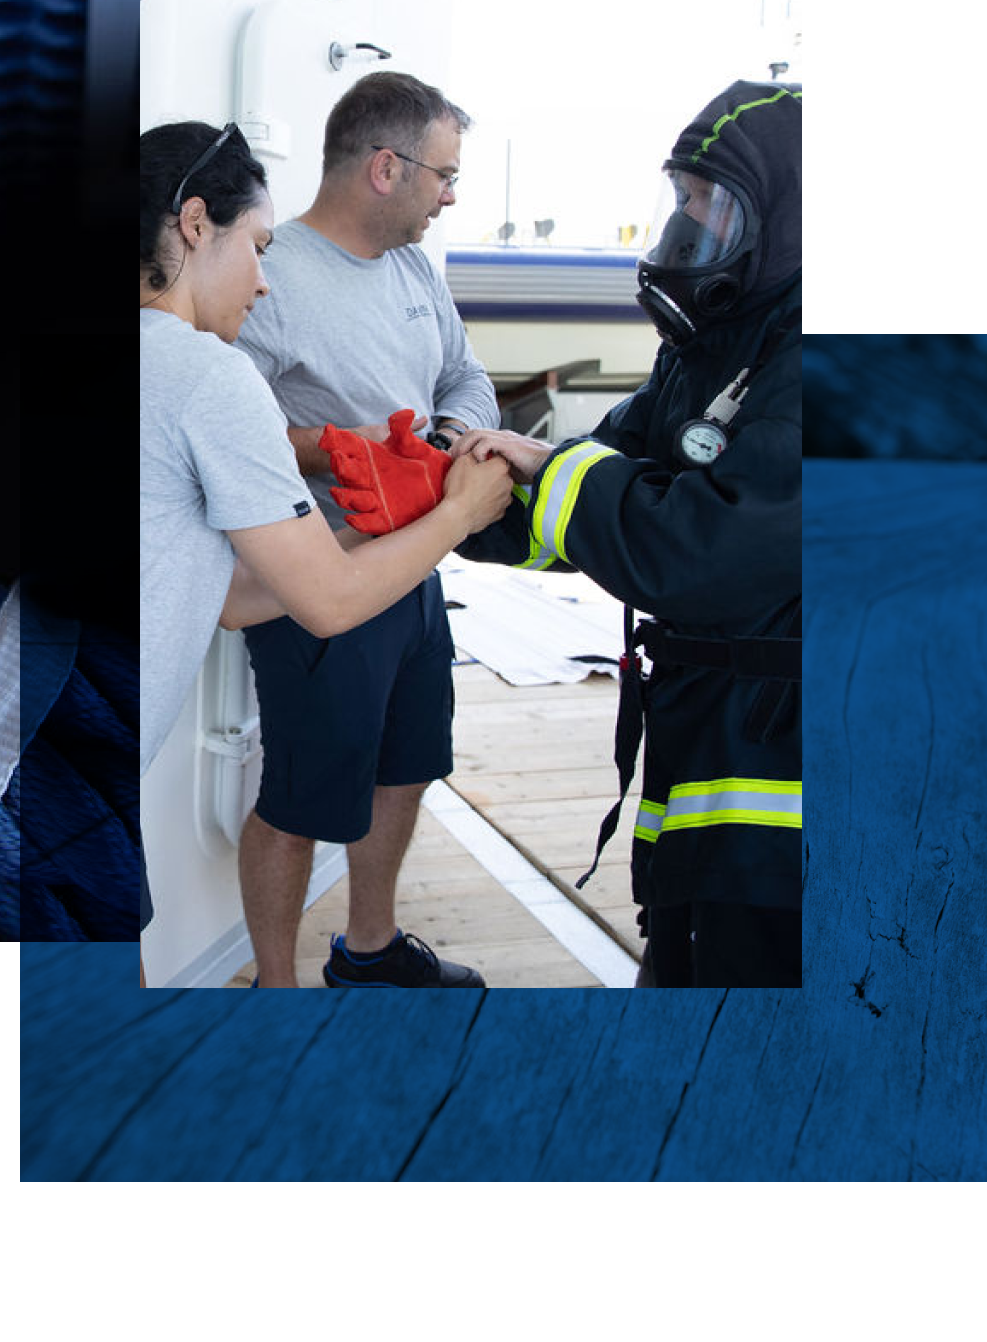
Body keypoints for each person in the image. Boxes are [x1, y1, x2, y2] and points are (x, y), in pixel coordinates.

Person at [139, 119, 512, 986]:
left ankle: (366, 952)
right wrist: (459, 513)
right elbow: (330, 603)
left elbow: (228, 596)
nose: (265, 283)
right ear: (196, 225)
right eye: (257, 248)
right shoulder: (205, 371)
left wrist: (393, 523)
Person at [450, 80, 802, 989]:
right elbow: (601, 470)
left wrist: (543, 466)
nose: (686, 226)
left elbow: (697, 552)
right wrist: (450, 492)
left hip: (782, 782)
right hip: (703, 745)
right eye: (681, 199)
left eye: (708, 205)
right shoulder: (713, 344)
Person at [232, 72, 502, 988]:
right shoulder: (273, 276)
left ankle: (370, 951)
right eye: (444, 175)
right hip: (322, 577)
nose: (451, 195)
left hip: (419, 567)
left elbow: (466, 379)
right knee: (299, 799)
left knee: (409, 763)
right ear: (386, 168)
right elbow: (224, 426)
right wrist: (335, 449)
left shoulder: (417, 270)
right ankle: (275, 992)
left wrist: (448, 445)